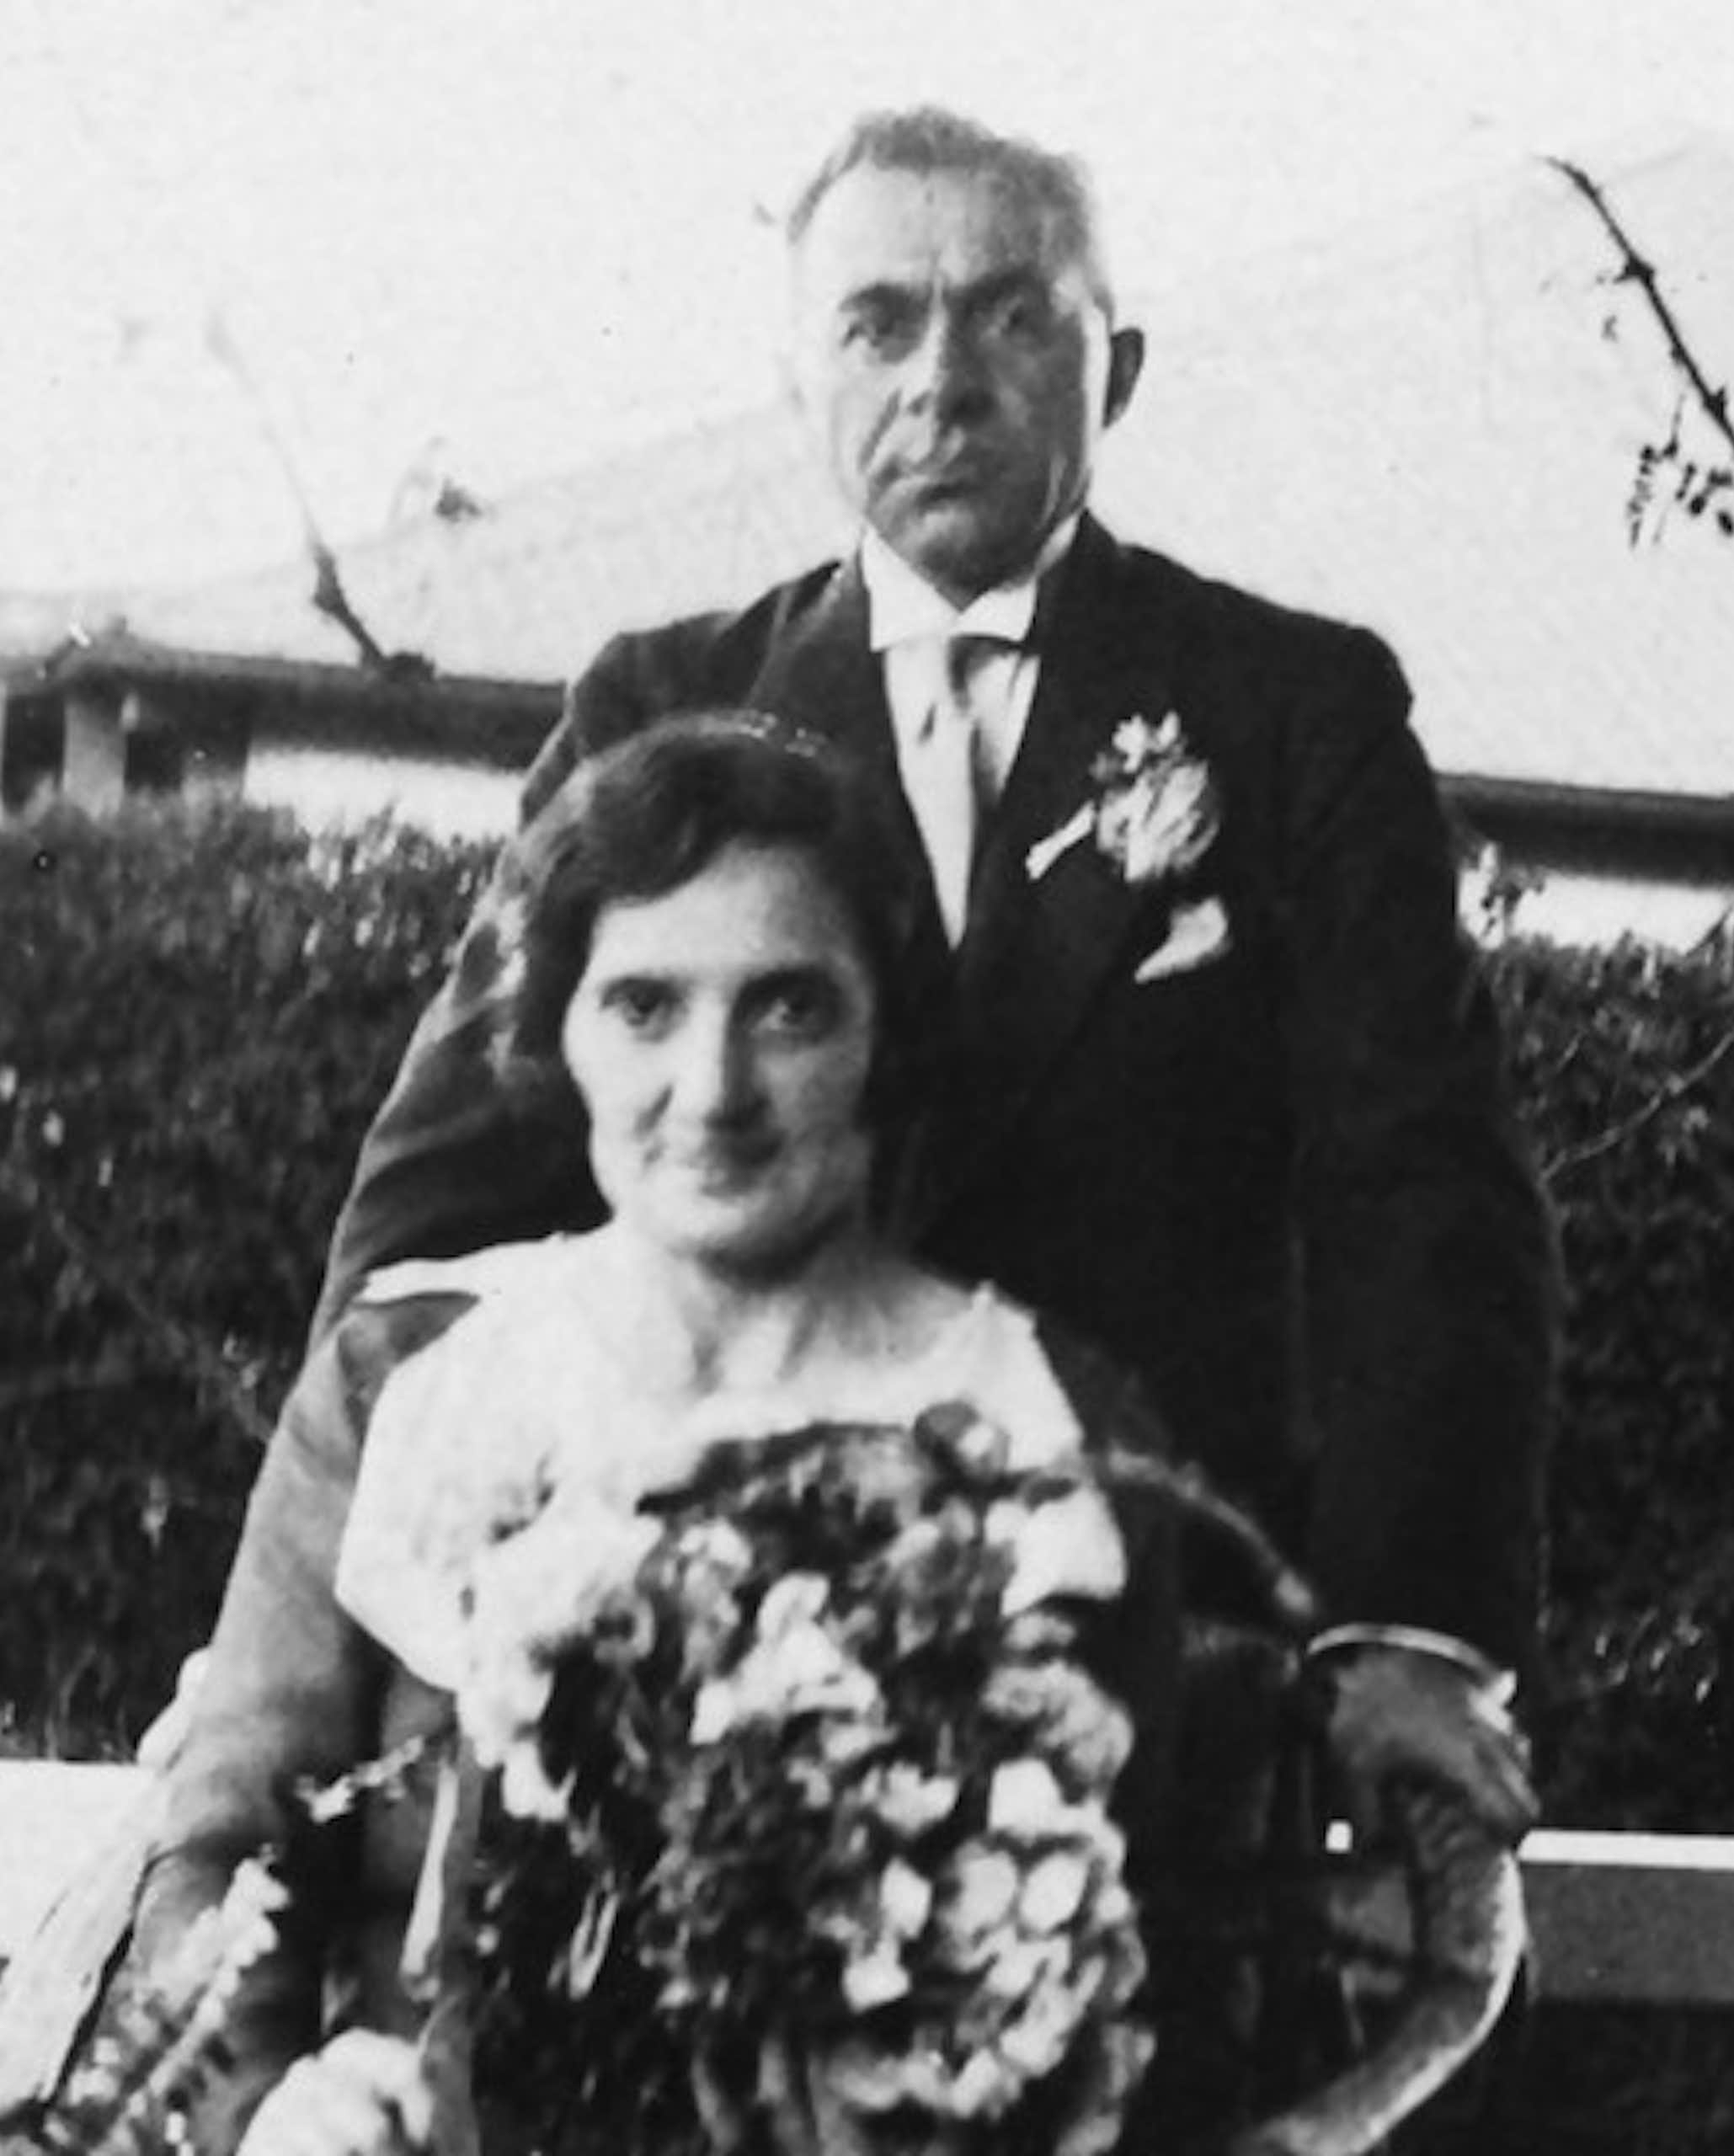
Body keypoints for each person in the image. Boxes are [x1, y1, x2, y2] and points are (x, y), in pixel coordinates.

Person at [312, 105, 1558, 1842]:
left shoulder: (1290, 714)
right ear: (797, 384)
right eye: (878, 322)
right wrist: (318, 1642)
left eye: (1009, 314)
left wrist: (1406, 1629)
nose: (943, 379)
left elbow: (1421, 1201)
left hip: (1148, 1659)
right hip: (706, 1655)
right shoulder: (659, 708)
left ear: (1111, 367)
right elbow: (444, 1202)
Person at [133, 716, 1199, 2156]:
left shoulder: (1054, 1428)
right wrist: (273, 2107)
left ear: (885, 1035)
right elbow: (229, 1848)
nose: (713, 1093)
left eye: (789, 1008)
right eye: (642, 1006)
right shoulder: (418, 1379)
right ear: (555, 1030)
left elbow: (1155, 1963)